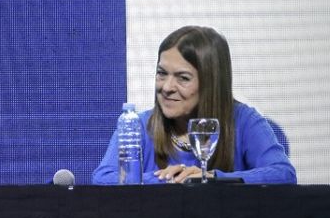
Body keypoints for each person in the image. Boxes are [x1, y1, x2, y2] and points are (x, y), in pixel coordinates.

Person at [92, 25, 295, 184]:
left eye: (183, 78)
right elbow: (103, 178)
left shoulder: (242, 120)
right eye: (162, 73)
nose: (167, 87)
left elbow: (283, 174)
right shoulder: (138, 124)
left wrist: (212, 178)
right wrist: (167, 179)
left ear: (211, 83)